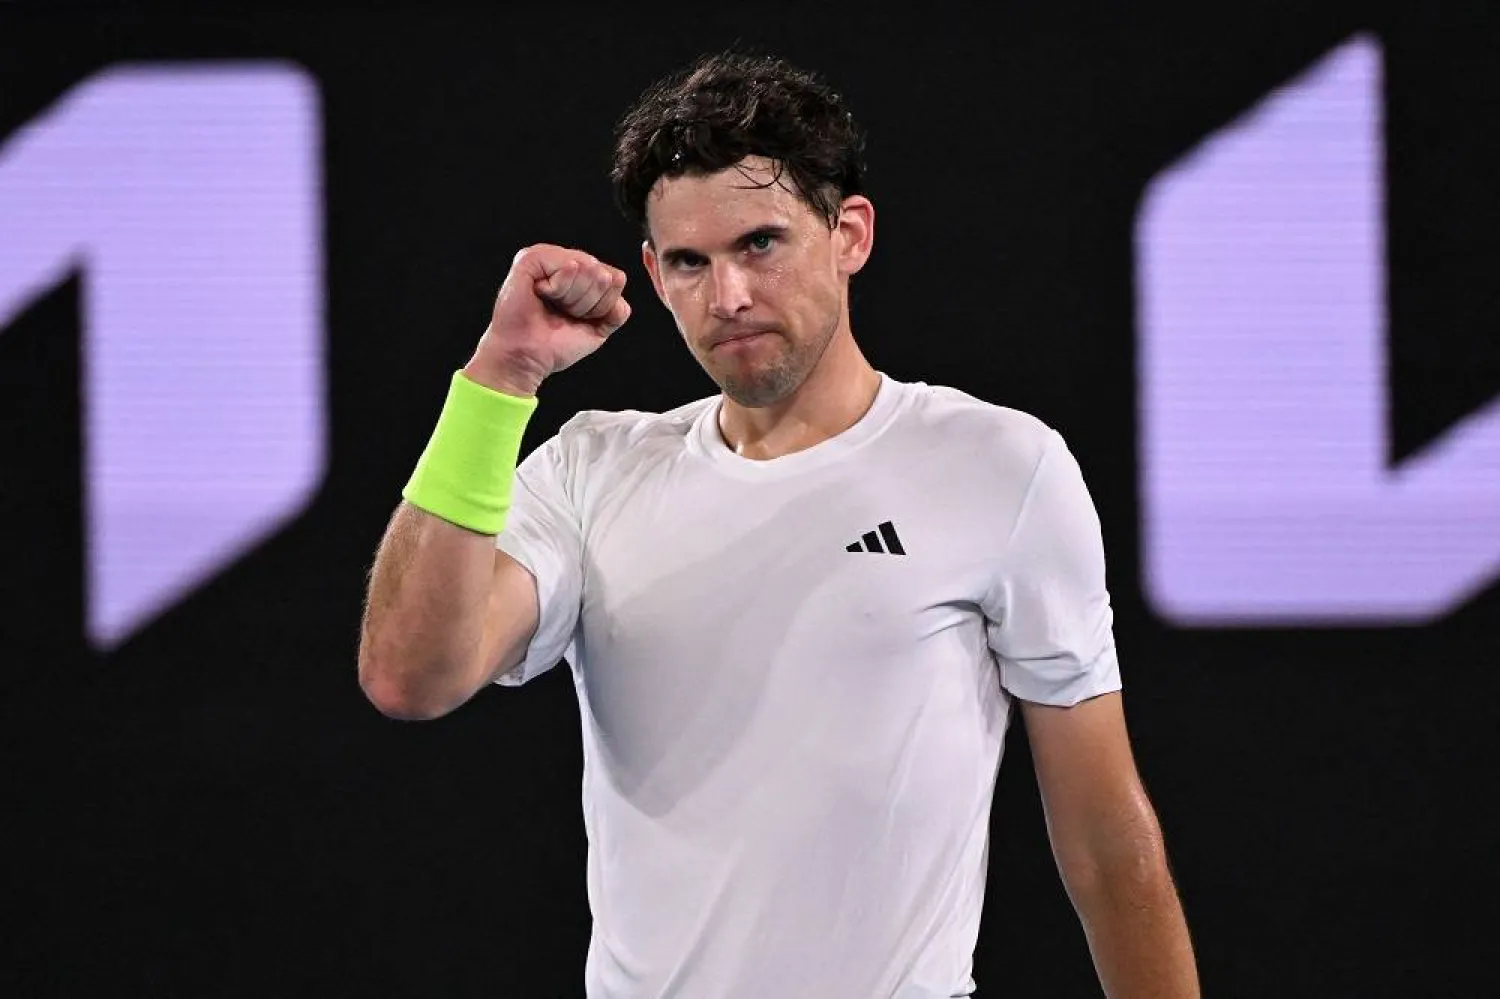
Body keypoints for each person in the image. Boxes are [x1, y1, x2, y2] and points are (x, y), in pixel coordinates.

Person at [358, 49, 1199, 999]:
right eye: (690, 262)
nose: (728, 297)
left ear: (850, 234)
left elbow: (1104, 842)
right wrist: (499, 378)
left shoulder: (1002, 467)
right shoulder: (590, 470)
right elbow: (408, 674)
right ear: (654, 272)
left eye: (760, 243)